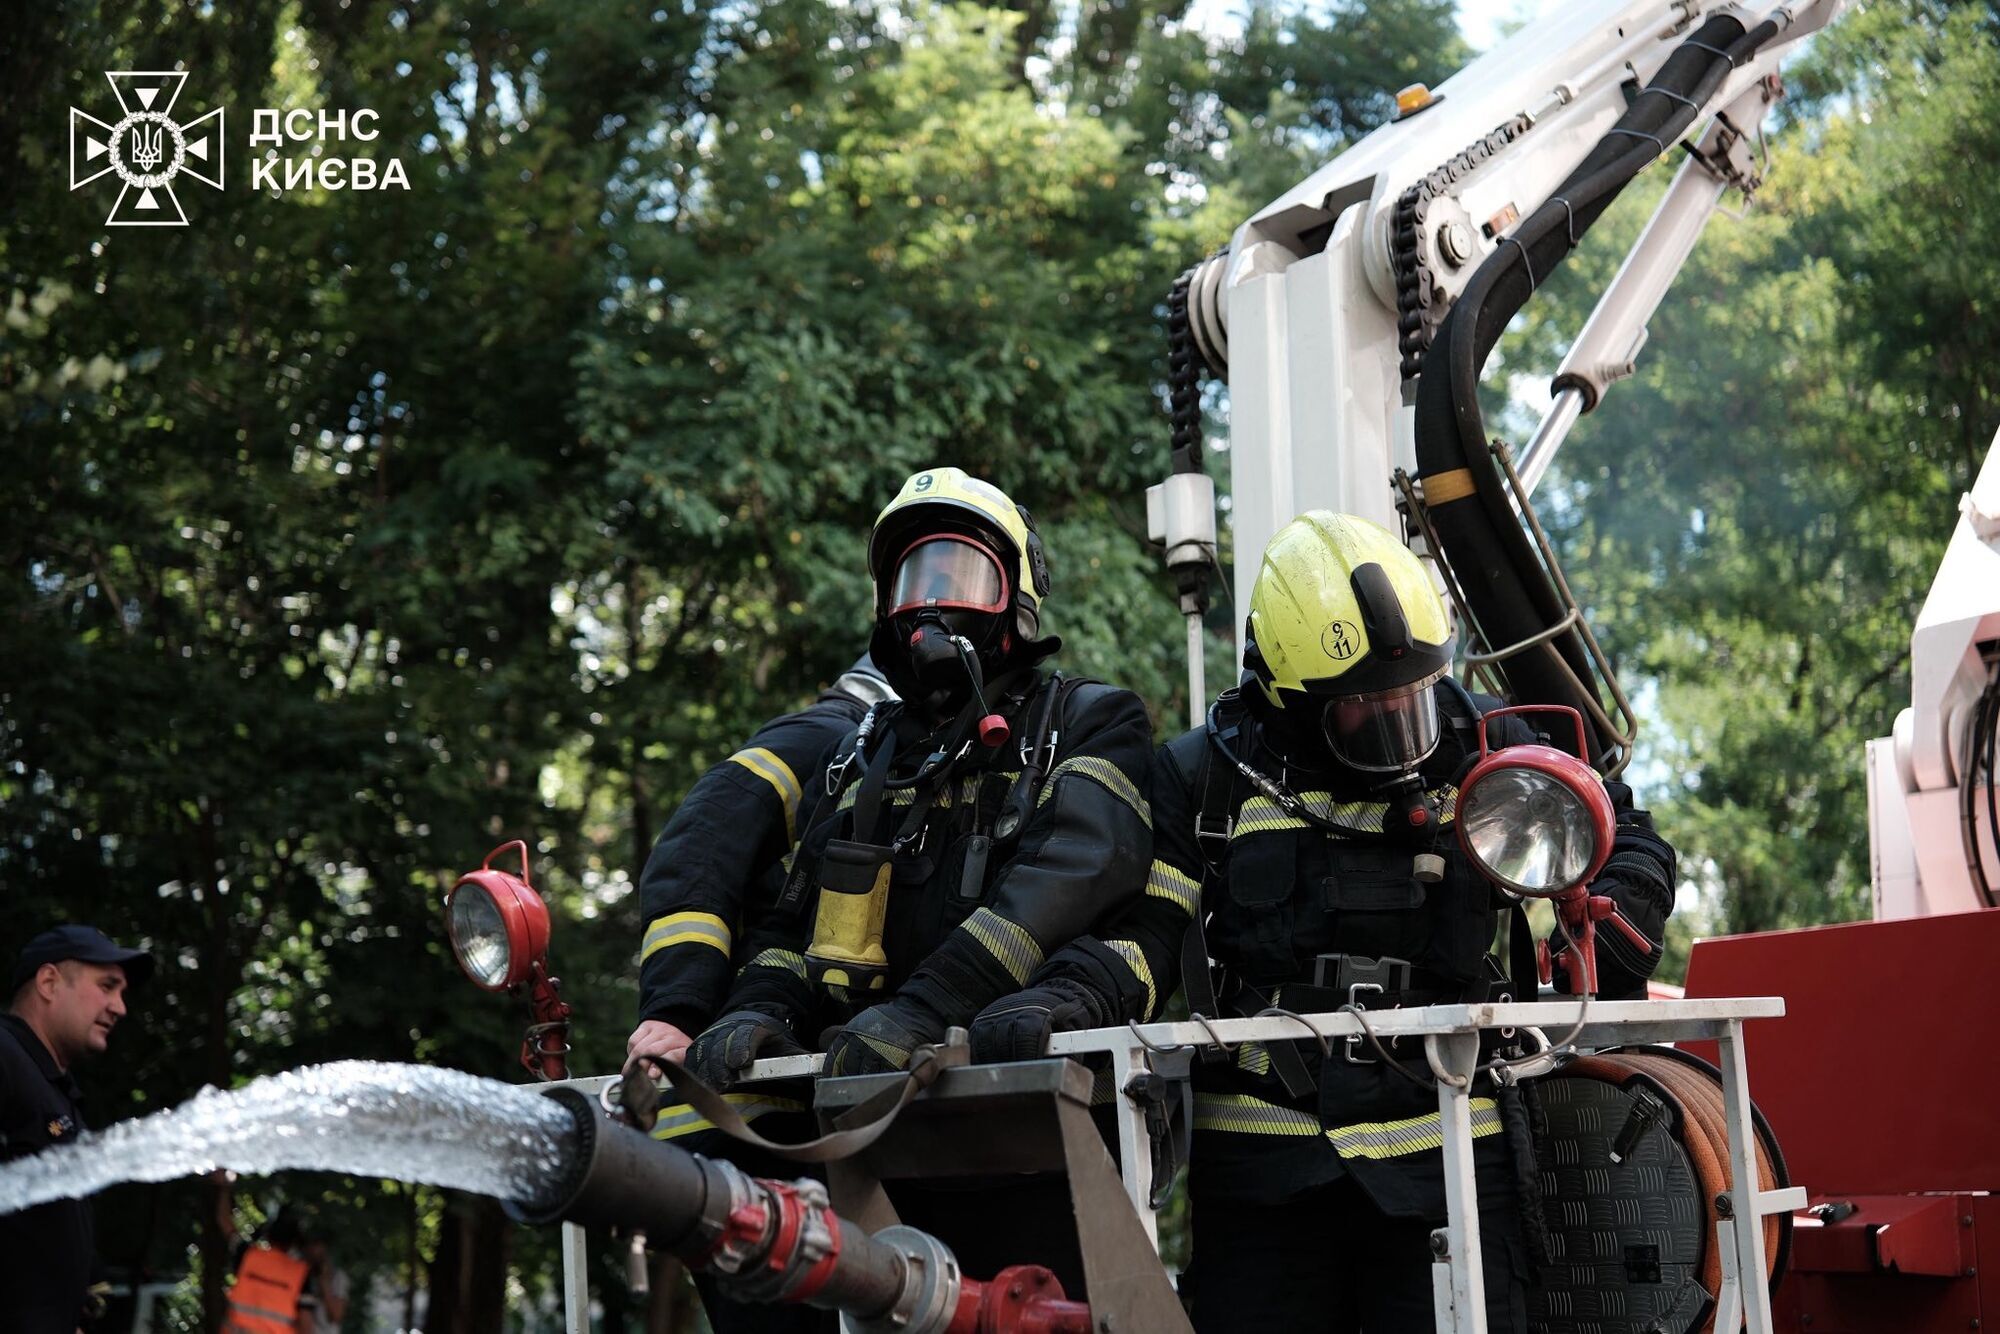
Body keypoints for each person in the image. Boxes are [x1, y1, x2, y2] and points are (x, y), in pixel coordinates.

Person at [972, 511, 1678, 1333]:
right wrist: (1065, 1000)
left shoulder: (1480, 739)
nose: (1401, 733)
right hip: (1267, 1176)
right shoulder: (1205, 777)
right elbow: (1147, 932)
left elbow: (1621, 829)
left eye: (1410, 699)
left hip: (1448, 1157)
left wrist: (1613, 913)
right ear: (1285, 696)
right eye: (1366, 712)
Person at [679, 467, 1155, 1325]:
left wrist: (925, 1010)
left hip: (1035, 1142)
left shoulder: (1088, 721)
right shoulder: (860, 758)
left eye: (960, 575)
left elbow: (1080, 870)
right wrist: (756, 1007)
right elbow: (795, 924)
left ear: (1017, 599)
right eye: (912, 581)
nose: (931, 605)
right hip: (873, 1147)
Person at [626, 655, 895, 1070]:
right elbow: (699, 844)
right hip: (722, 1033)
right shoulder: (825, 739)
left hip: (781, 1034)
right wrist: (679, 1010)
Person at [0, 924, 152, 1334]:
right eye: (107, 986)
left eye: (121, 993)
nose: (119, 1007)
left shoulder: (55, 1091)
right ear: (49, 982)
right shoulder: (5, 1056)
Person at [219, 1205, 347, 1334]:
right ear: (295, 1242)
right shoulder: (300, 1273)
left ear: (269, 1235)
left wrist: (223, 1189)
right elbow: (305, 1323)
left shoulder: (247, 1256)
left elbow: (225, 1224)